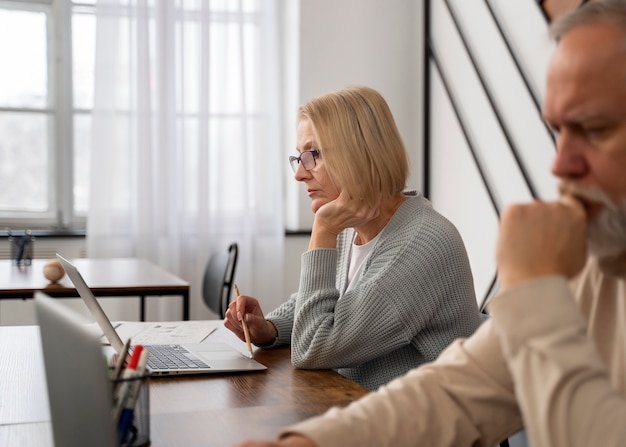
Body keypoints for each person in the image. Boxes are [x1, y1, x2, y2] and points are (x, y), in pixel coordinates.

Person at [233, 0, 626, 446]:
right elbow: (458, 390)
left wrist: (535, 291)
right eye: (558, 131)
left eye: (593, 129)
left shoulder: (425, 241)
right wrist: (309, 443)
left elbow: (316, 345)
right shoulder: (598, 264)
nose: (559, 165)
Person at [224, 86, 480, 391]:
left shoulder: (421, 244)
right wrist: (268, 329)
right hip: (366, 409)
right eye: (299, 158)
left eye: (312, 155)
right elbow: (327, 307)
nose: (299, 174)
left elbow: (313, 348)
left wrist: (322, 230)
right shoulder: (354, 227)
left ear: (358, 155)